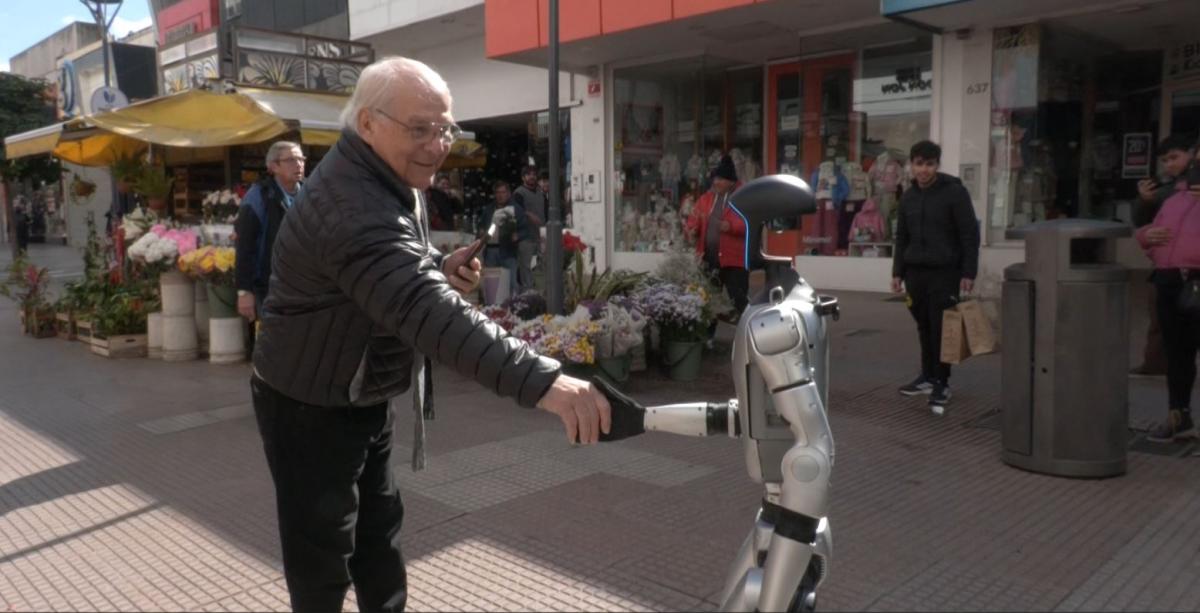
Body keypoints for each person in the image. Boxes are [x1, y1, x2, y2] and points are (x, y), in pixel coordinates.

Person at [249, 56, 611, 613]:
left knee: (379, 536)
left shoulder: (391, 180)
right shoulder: (351, 203)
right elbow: (425, 309)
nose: (438, 144)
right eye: (420, 129)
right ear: (367, 124)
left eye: (445, 127)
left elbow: (398, 279)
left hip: (358, 387)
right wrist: (548, 384)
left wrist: (439, 268)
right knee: (322, 560)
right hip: (307, 401)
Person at [890, 140, 980, 410]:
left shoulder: (954, 193)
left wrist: (968, 271)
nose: (924, 170)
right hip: (916, 273)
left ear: (937, 165)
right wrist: (898, 272)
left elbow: (969, 235)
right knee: (924, 326)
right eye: (919, 164)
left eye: (929, 164)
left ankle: (942, 382)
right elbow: (901, 237)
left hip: (945, 272)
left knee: (943, 329)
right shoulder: (908, 197)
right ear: (911, 165)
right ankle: (927, 376)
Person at [1135, 141, 1200, 443]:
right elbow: (1149, 230)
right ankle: (1179, 416)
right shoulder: (1173, 196)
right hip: (1170, 280)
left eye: (1175, 157)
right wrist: (1146, 236)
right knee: (1177, 354)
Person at [1130, 135, 1195, 376]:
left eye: (1174, 157)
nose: (1169, 164)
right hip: (1165, 266)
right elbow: (1143, 224)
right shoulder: (1169, 189)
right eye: (1165, 160)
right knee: (1160, 317)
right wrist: (1144, 201)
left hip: (1191, 267)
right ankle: (1156, 364)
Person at [234, 141, 305, 320]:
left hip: (306, 284)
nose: (298, 164)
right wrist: (244, 292)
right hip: (270, 286)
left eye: (301, 159)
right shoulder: (259, 196)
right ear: (273, 166)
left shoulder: (310, 194)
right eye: (290, 160)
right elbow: (245, 246)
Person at [686, 154, 748, 318]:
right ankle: (709, 340)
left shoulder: (744, 197)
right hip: (709, 259)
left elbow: (751, 224)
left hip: (735, 261)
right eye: (715, 178)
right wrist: (692, 229)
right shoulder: (705, 199)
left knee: (740, 302)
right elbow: (694, 218)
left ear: (731, 180)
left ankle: (746, 338)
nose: (716, 182)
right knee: (708, 302)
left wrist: (731, 226)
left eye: (720, 179)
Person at [479, 180, 519, 297]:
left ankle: (515, 305)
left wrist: (517, 236)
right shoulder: (488, 209)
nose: (500, 195)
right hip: (491, 249)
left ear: (508, 193)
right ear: (495, 194)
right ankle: (492, 308)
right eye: (498, 192)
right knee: (491, 282)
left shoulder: (515, 209)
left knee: (511, 282)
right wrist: (482, 235)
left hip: (508, 250)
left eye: (503, 192)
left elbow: (523, 228)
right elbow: (481, 227)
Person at [512, 164, 547, 292]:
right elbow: (516, 211)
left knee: (541, 265)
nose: (532, 176)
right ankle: (527, 292)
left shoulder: (540, 192)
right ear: (523, 178)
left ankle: (539, 290)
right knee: (525, 266)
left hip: (540, 235)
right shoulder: (519, 193)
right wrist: (528, 214)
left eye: (534, 174)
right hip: (525, 236)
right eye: (528, 174)